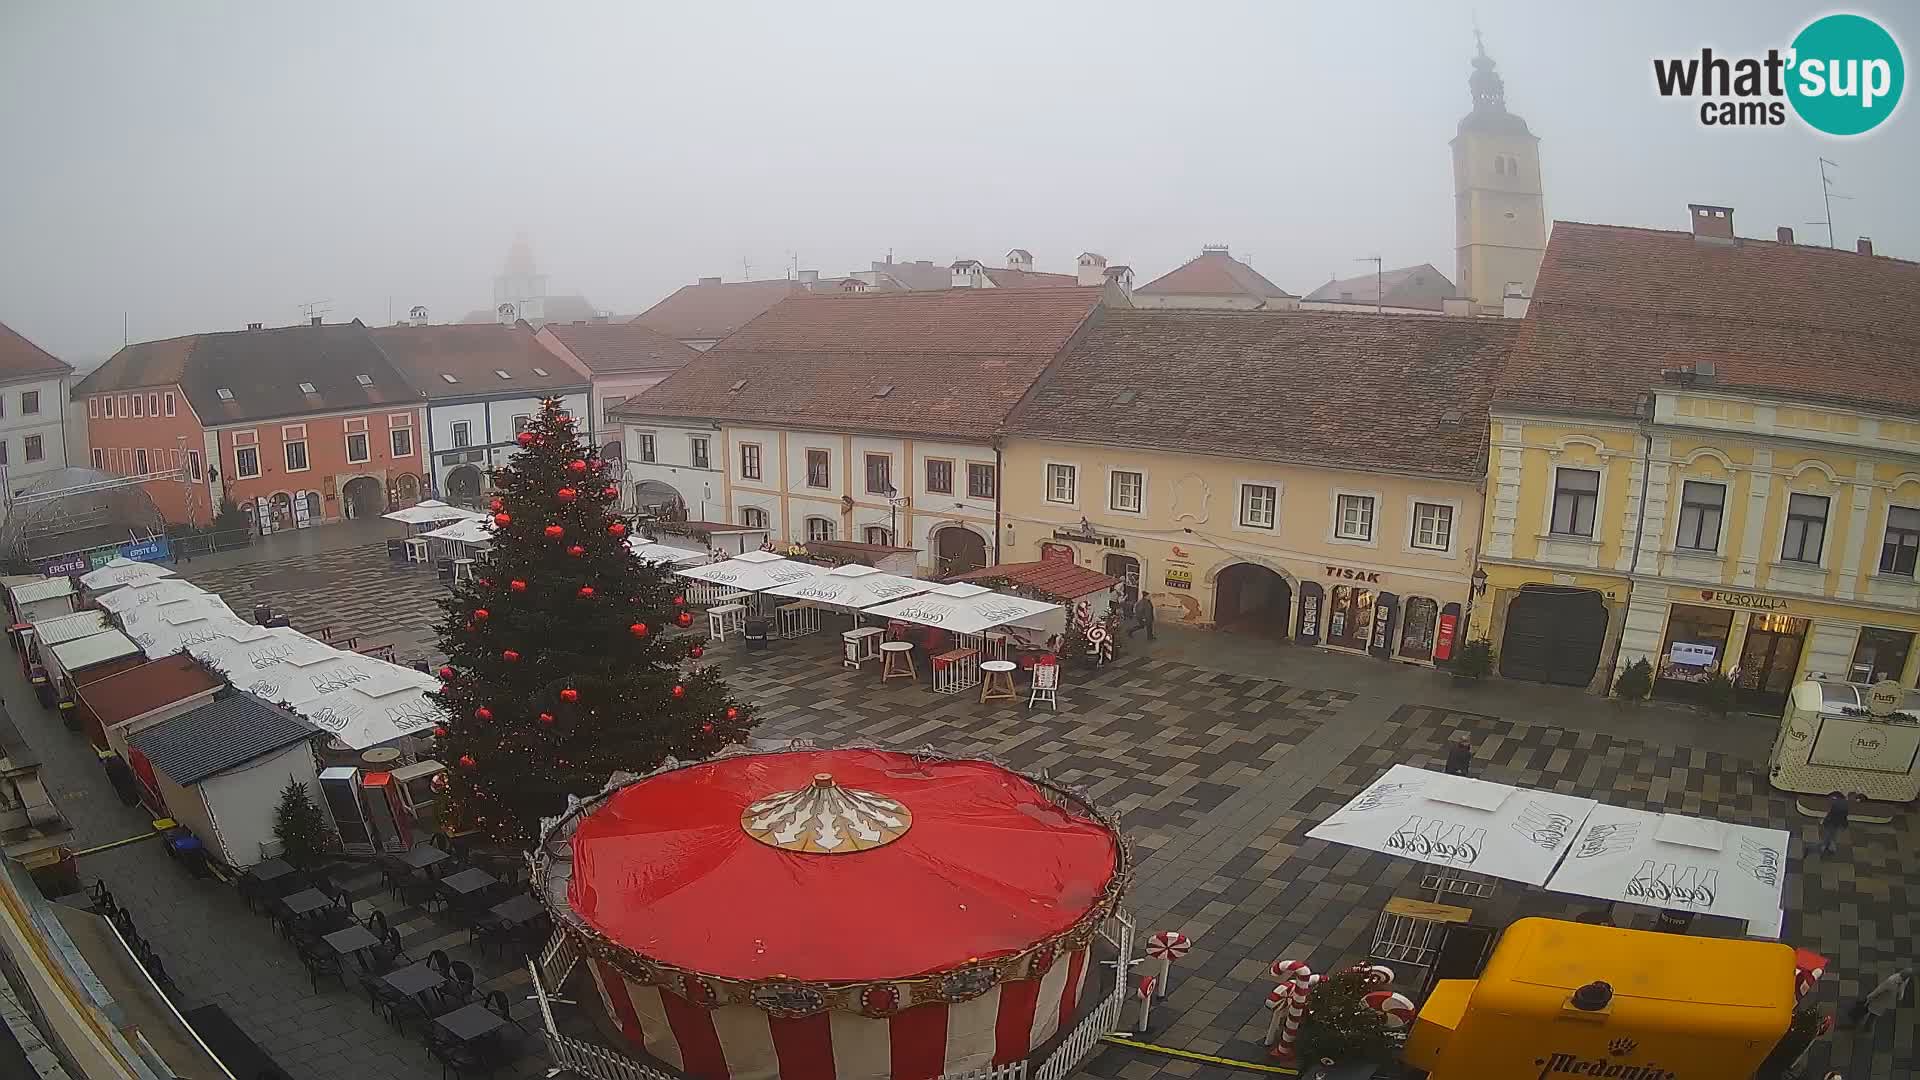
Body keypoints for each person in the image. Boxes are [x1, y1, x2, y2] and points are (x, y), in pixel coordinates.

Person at [1846, 968, 1912, 1031]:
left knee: (1871, 1011)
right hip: (1881, 999)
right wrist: (1870, 996)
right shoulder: (1891, 981)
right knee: (1872, 1012)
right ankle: (1865, 1025)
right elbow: (1879, 990)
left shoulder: (1903, 980)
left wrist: (1900, 996)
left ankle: (1860, 1021)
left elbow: (1880, 990)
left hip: (1882, 1000)